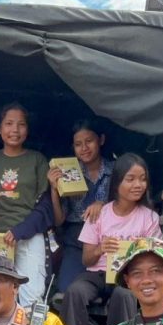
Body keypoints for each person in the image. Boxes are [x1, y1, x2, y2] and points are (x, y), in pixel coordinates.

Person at [58, 153, 162, 325]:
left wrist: (138, 250)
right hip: (98, 273)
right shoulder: (100, 214)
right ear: (117, 183)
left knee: (124, 295)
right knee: (75, 291)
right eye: (130, 179)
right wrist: (100, 248)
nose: (138, 185)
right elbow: (86, 259)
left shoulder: (149, 218)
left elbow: (156, 256)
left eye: (142, 179)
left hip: (129, 276)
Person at [0, 102, 55, 307]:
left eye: (21, 124)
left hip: (29, 237)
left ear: (27, 129)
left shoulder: (37, 160)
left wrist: (20, 231)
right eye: (8, 124)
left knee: (30, 299)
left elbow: (46, 205)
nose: (15, 130)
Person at [48, 119, 114, 292]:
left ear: (101, 140)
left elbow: (127, 204)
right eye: (78, 144)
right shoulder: (68, 173)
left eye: (89, 141)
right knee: (66, 290)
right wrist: (54, 189)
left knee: (112, 287)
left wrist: (103, 205)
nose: (84, 148)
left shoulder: (116, 171)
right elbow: (59, 220)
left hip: (109, 239)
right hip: (76, 239)